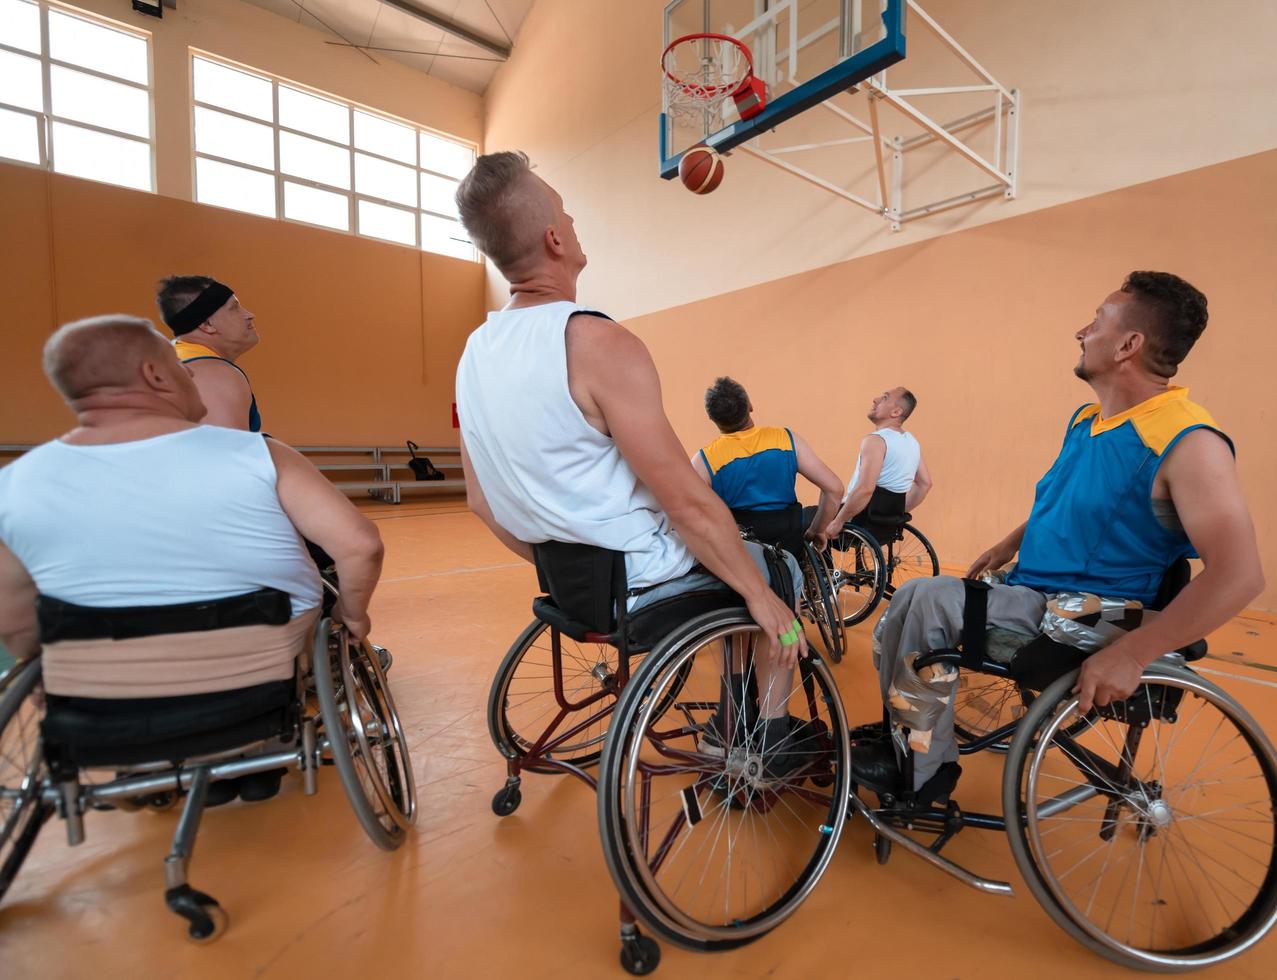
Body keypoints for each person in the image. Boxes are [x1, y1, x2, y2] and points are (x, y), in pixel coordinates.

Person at [453, 152, 810, 762]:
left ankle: (736, 708)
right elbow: (690, 504)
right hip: (644, 584)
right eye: (565, 210)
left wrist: (558, 560)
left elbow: (480, 500)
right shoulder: (598, 342)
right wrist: (759, 593)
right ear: (555, 238)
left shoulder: (472, 357)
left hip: (572, 588)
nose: (572, 219)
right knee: (780, 574)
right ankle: (766, 736)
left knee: (740, 568)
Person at [853, 272, 1265, 799]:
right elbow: (1076, 501)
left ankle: (922, 772)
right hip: (1036, 593)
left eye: (1097, 320)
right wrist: (1011, 541)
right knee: (914, 598)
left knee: (926, 597)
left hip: (1088, 612)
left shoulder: (1188, 441)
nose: (1081, 331)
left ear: (1128, 344)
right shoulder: (1088, 421)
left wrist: (1134, 654)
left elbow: (1240, 574)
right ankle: (906, 730)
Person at [0, 315, 384, 804]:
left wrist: (47, 663)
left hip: (107, 678)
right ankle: (259, 744)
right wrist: (353, 612)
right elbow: (360, 546)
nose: (190, 376)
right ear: (156, 376)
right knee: (313, 616)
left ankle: (150, 759)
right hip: (256, 661)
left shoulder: (14, 485)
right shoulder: (258, 455)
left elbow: (13, 617)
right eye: (181, 367)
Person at [691, 376, 844, 553]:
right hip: (789, 544)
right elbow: (834, 489)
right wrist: (816, 531)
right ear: (750, 406)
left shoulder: (704, 461)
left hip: (744, 551)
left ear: (712, 417)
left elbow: (695, 516)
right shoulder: (786, 439)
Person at [823, 386, 932, 542]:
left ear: (896, 412)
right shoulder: (911, 442)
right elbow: (925, 484)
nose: (876, 399)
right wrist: (895, 514)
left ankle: (817, 566)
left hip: (860, 519)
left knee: (807, 520)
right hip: (883, 522)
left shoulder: (876, 441)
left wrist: (838, 522)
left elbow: (865, 489)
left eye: (885, 397)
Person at [155, 276, 262, 432]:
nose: (249, 315)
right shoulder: (213, 374)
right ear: (207, 324)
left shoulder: (174, 357)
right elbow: (222, 452)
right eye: (234, 308)